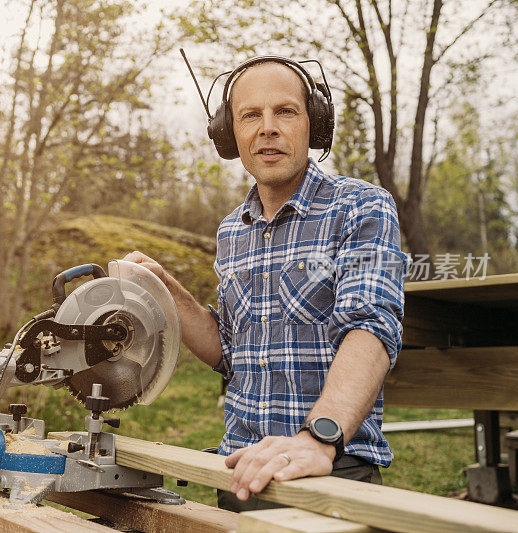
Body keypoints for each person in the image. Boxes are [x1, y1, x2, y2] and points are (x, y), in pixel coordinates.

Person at [123, 56, 410, 512]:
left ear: (313, 124)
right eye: (251, 115)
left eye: (285, 112)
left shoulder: (360, 207)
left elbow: (372, 328)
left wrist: (319, 438)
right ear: (229, 133)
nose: (267, 128)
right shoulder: (231, 231)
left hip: (328, 469)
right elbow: (232, 353)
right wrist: (165, 289)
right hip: (240, 469)